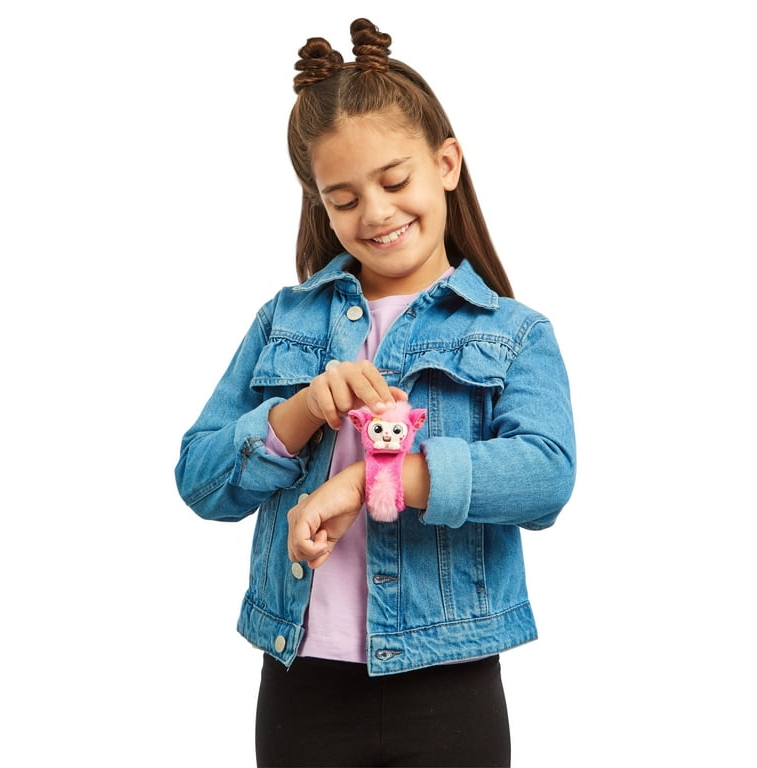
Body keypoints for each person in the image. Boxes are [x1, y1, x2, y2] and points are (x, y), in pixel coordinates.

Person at [175, 17, 576, 768]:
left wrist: (370, 480)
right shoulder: (284, 320)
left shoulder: (513, 332)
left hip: (449, 681)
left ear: (446, 163)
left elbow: (546, 477)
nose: (377, 213)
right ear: (320, 205)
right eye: (344, 198)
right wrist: (300, 412)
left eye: (395, 182)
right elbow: (200, 481)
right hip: (302, 682)